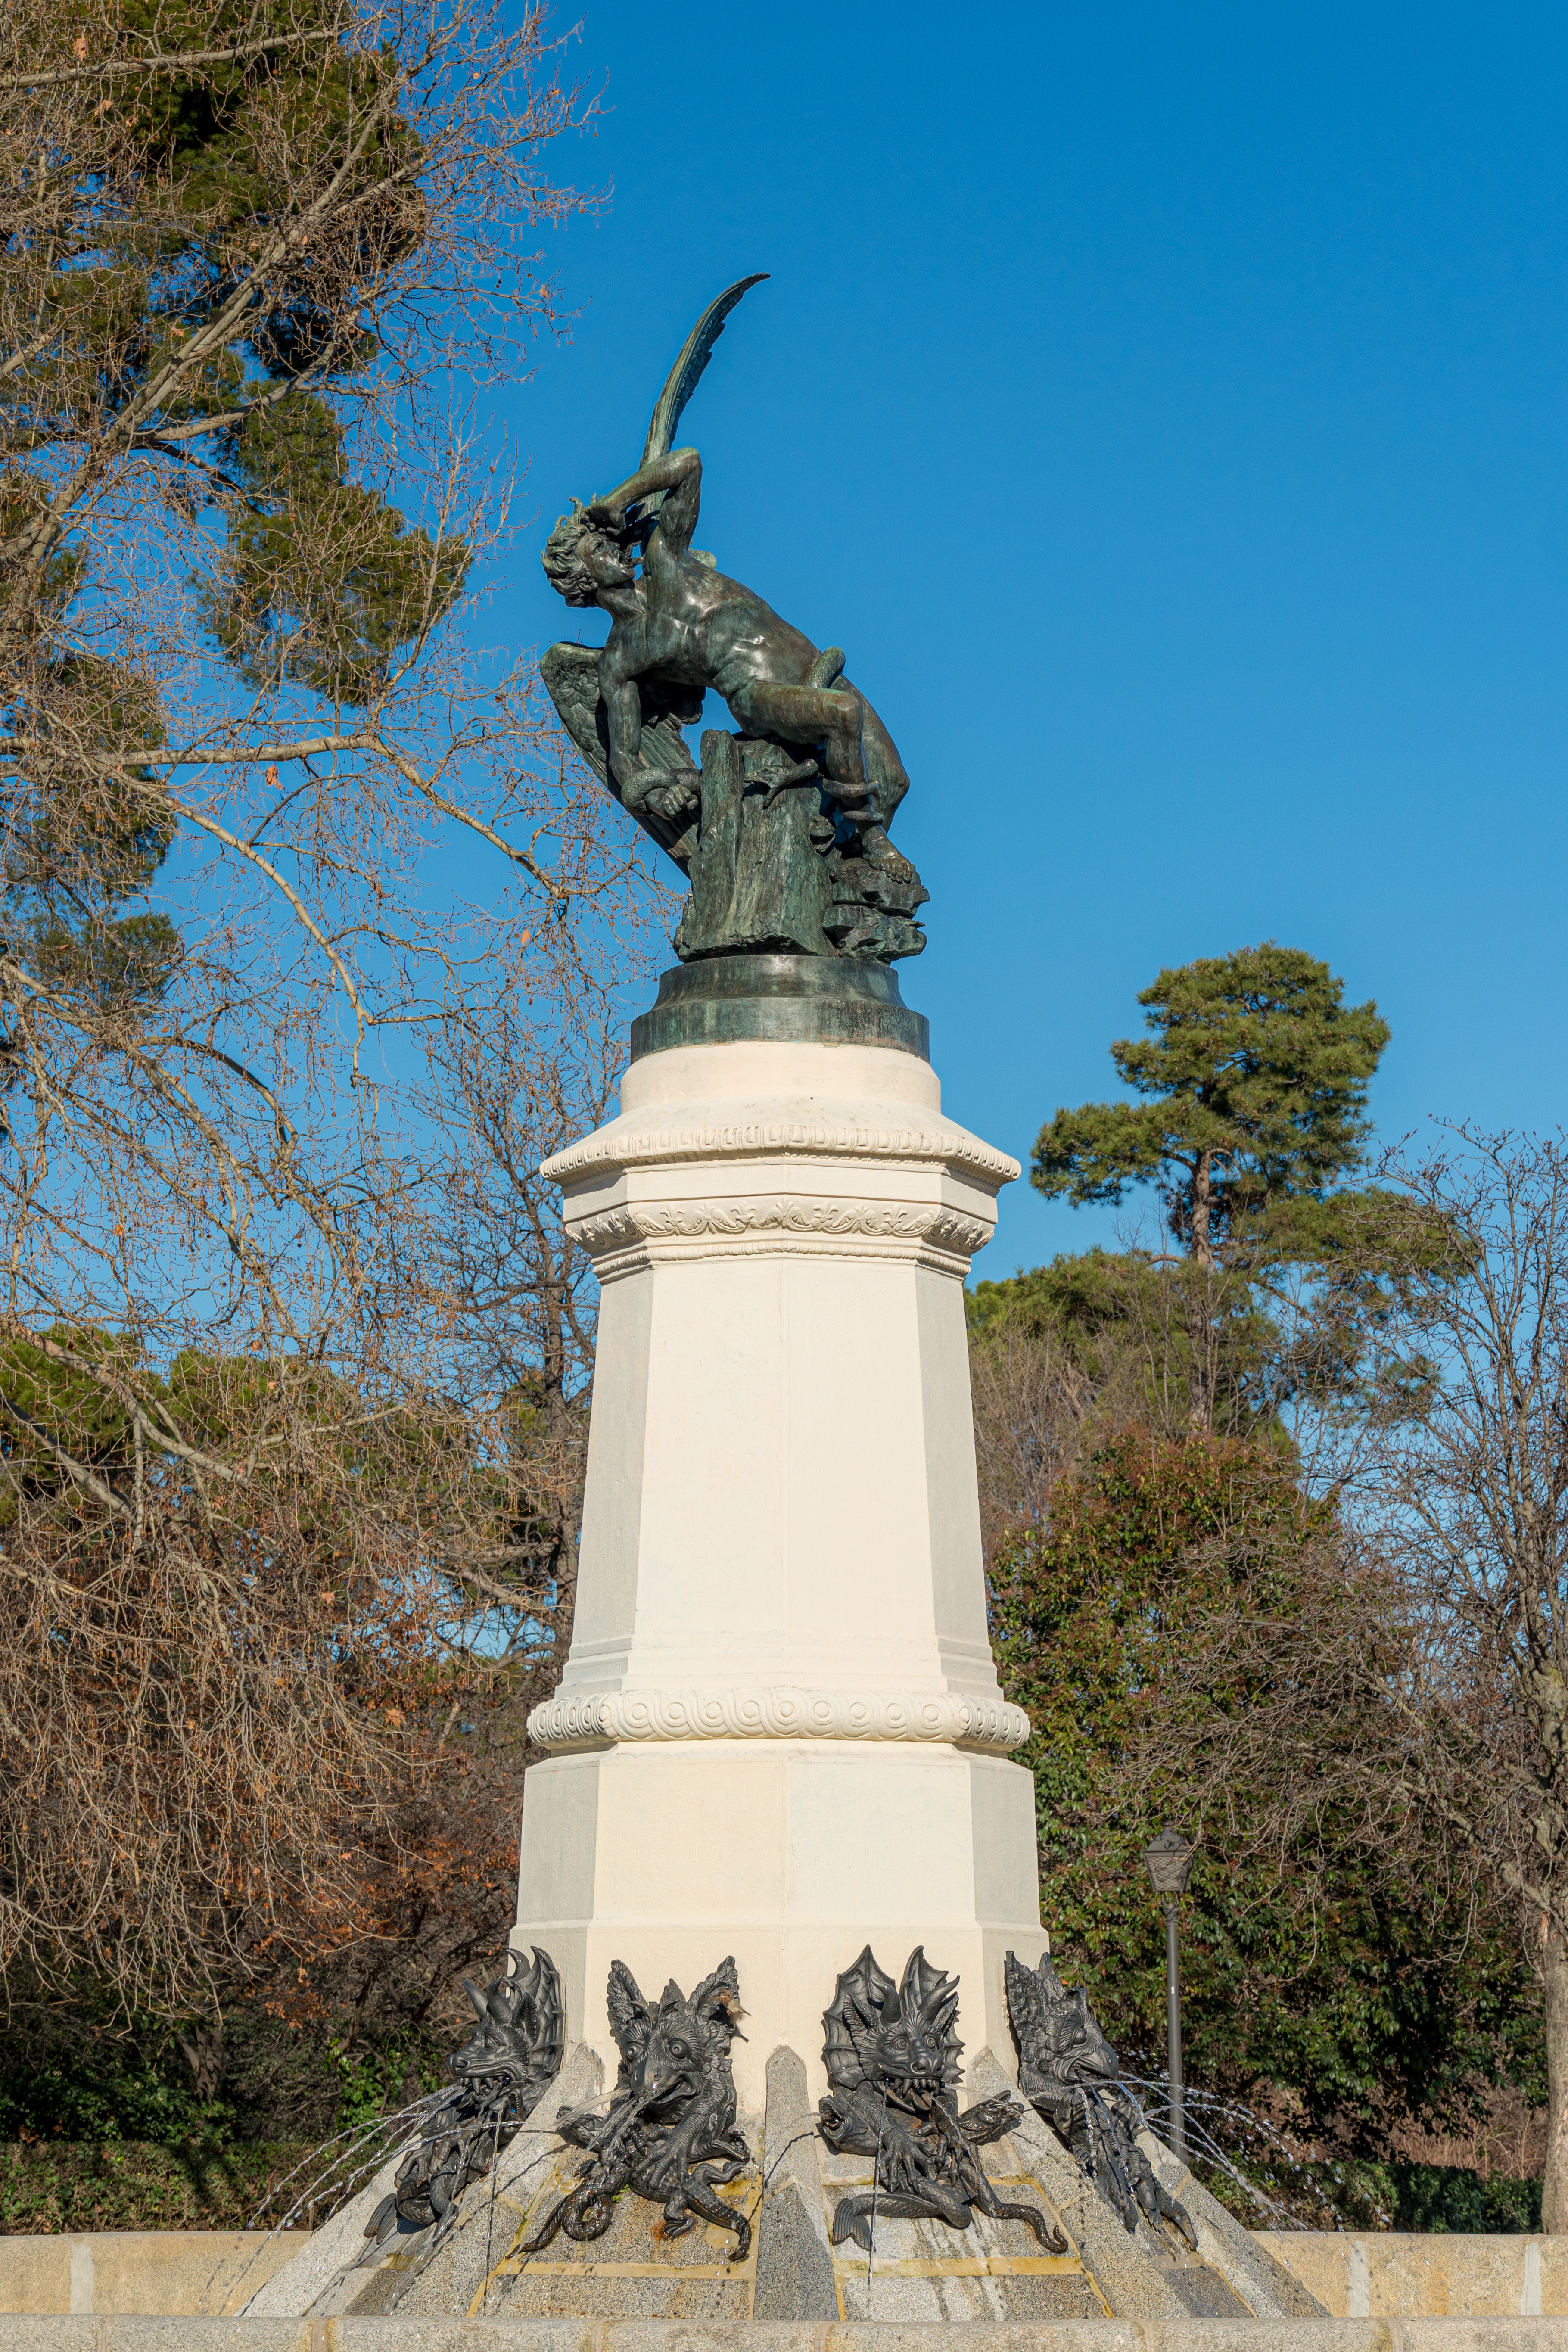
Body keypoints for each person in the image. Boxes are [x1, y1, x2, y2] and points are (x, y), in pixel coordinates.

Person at [541, 447, 912, 873]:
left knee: (894, 785)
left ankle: (841, 868)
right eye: (598, 551)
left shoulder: (667, 561)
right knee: (842, 715)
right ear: (583, 578)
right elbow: (624, 757)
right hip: (757, 694)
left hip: (815, 667)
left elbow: (688, 463)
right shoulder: (622, 658)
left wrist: (614, 502)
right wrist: (660, 795)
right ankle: (874, 839)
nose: (614, 551)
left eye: (608, 542)